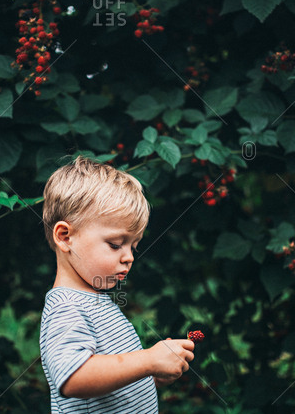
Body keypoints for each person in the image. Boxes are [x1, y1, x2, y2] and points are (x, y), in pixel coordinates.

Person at [39, 155, 195, 413]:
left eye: (134, 246)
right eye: (115, 244)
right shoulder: (66, 308)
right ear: (65, 237)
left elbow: (109, 377)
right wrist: (147, 360)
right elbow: (73, 378)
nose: (129, 257)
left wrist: (150, 374)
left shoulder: (95, 300)